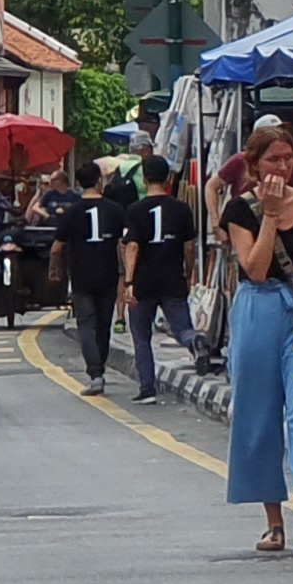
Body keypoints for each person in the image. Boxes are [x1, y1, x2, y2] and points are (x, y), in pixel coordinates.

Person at [220, 132, 293, 552]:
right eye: (273, 160)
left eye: (288, 158)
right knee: (259, 414)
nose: (283, 167)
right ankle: (273, 520)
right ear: (254, 165)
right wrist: (268, 215)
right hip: (259, 306)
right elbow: (255, 267)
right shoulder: (240, 209)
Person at [125, 156, 206, 405]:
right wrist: (189, 272)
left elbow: (132, 247)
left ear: (144, 178)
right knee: (181, 328)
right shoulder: (182, 209)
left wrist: (128, 282)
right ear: (169, 178)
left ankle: (147, 388)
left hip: (144, 280)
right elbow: (189, 247)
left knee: (141, 335)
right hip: (173, 278)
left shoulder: (135, 210)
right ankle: (194, 341)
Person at [61, 160, 127, 396]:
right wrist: (128, 274)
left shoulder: (72, 212)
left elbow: (57, 247)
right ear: (99, 181)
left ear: (79, 184)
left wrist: (54, 270)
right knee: (104, 326)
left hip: (81, 277)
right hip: (108, 275)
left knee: (86, 325)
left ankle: (95, 374)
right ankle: (99, 368)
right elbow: (123, 244)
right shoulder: (115, 210)